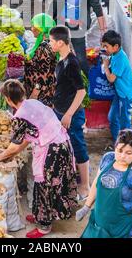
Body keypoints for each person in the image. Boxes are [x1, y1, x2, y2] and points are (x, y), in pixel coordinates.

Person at [0, 79, 77, 239]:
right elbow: (28, 136)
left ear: (8, 99)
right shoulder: (33, 103)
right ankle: (41, 214)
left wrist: (0, 156)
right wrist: (10, 152)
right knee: (52, 184)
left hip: (52, 151)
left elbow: (15, 146)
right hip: (63, 144)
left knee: (44, 186)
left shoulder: (19, 117)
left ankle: (44, 226)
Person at [78, 129, 132, 238]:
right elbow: (97, 183)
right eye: (119, 150)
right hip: (101, 223)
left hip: (123, 229)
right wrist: (86, 207)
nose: (122, 156)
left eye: (128, 153)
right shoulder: (108, 158)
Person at [49, 26, 90, 200]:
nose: (49, 43)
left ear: (60, 42)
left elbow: (81, 91)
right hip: (60, 111)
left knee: (78, 146)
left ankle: (85, 186)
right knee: (67, 146)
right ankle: (73, 177)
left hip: (70, 114)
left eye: (51, 41)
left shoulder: (72, 63)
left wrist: (69, 114)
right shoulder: (61, 58)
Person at [52, 0, 106, 76]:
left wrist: (103, 31)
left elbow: (99, 12)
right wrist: (50, 23)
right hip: (62, 21)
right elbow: (55, 4)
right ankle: (58, 76)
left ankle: (91, 79)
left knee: (81, 58)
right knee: (57, 51)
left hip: (79, 25)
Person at [101, 30, 132, 158]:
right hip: (119, 94)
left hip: (125, 96)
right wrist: (108, 61)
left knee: (126, 126)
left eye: (106, 46)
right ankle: (118, 144)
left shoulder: (120, 59)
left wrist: (105, 66)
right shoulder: (115, 54)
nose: (105, 49)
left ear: (115, 47)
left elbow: (111, 79)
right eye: (103, 46)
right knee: (112, 118)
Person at [24, 13, 57, 107]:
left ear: (41, 28)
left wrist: (34, 95)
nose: (32, 28)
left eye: (34, 26)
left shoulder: (44, 48)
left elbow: (42, 77)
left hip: (41, 96)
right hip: (45, 92)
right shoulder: (49, 43)